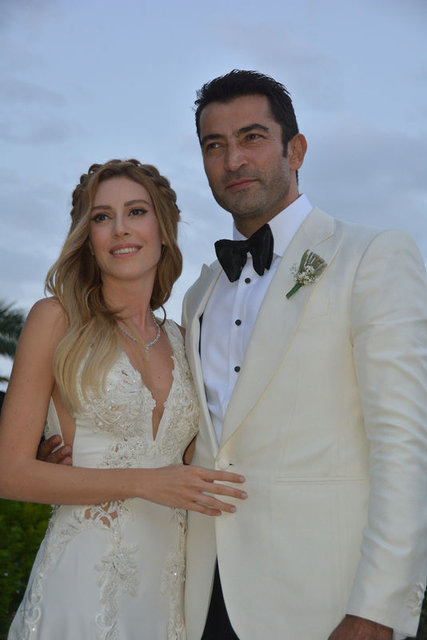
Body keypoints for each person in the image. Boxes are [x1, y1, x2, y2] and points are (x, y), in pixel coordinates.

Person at [180, 71, 427, 640]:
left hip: (326, 602)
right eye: (214, 145)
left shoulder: (371, 256)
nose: (233, 160)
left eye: (252, 137)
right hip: (202, 599)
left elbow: (404, 445)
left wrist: (378, 609)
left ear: (296, 150)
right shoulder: (200, 294)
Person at [0, 159, 247, 640]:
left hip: (169, 593)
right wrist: (143, 481)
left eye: (136, 211)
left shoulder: (184, 339)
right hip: (81, 585)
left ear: (163, 229)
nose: (120, 229)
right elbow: (9, 473)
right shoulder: (56, 320)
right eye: (101, 217)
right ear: (87, 237)